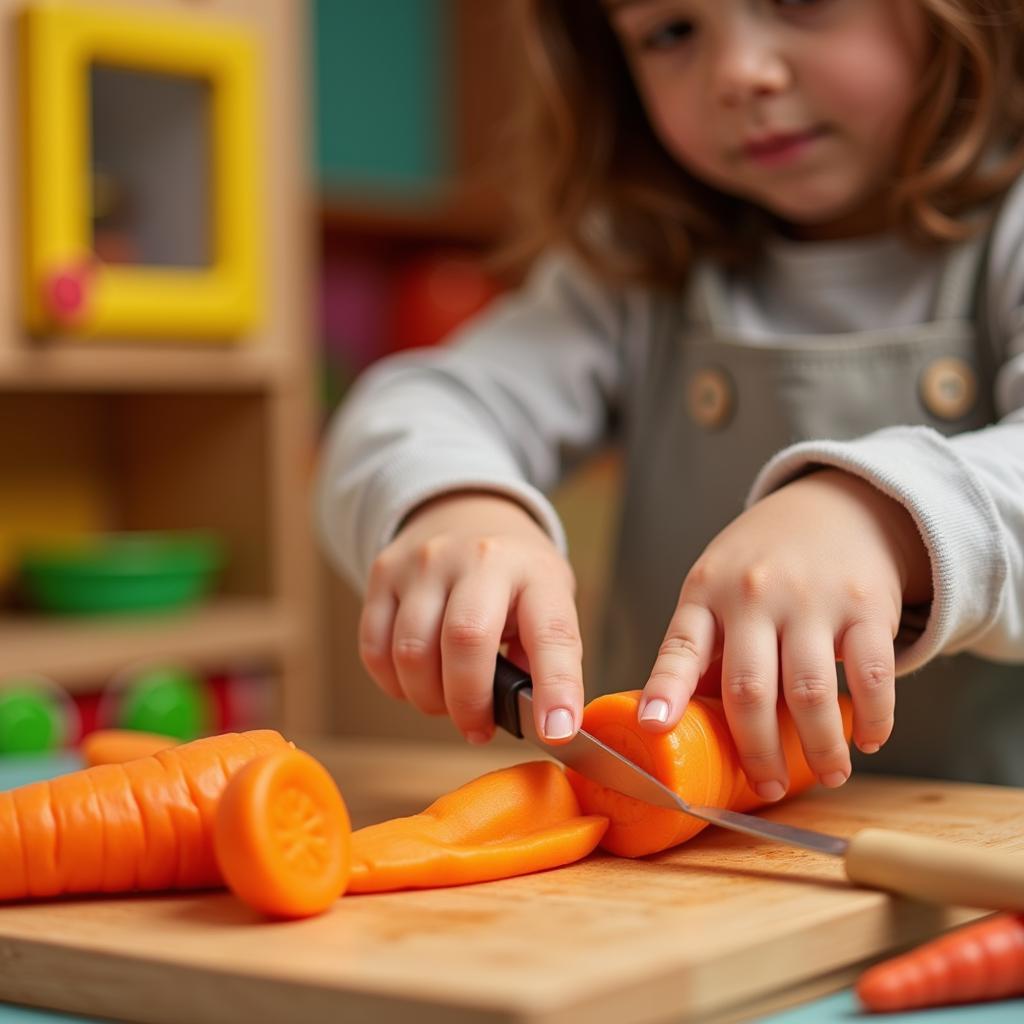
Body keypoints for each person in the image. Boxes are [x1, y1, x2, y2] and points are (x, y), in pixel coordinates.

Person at [316, 0, 1024, 793]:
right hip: (683, 862)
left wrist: (883, 519)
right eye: (672, 32)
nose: (739, 74)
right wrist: (453, 502)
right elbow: (415, 405)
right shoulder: (640, 261)